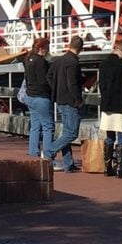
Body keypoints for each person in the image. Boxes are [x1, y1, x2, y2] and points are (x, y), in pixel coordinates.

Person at [45, 35, 84, 172]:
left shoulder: (59, 60)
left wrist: (56, 88)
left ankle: (68, 163)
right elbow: (72, 83)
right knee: (72, 133)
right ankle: (49, 151)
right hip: (70, 101)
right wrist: (78, 100)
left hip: (60, 99)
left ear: (69, 45)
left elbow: (49, 76)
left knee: (66, 132)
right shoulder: (73, 63)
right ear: (81, 48)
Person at [98, 39, 122, 177]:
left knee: (109, 137)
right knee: (121, 137)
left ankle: (107, 167)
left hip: (107, 104)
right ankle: (120, 167)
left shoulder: (104, 64)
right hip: (121, 105)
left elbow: (101, 85)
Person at [22, 36, 53, 158]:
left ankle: (33, 152)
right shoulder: (41, 61)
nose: (48, 51)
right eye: (47, 48)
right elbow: (43, 81)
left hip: (30, 95)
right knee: (48, 127)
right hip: (41, 97)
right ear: (42, 49)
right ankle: (48, 155)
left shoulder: (28, 59)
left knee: (35, 126)